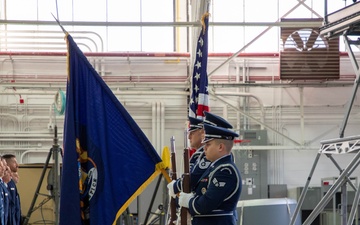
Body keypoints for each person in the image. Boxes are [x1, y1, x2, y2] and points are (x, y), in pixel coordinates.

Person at [177, 123, 242, 225]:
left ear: (220, 147)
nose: (204, 148)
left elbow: (206, 204)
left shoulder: (225, 171)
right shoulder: (215, 168)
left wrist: (189, 201)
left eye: (208, 144)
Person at [168, 111, 234, 195]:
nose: (202, 134)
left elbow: (193, 178)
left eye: (204, 131)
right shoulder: (202, 154)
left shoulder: (214, 155)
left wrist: (176, 186)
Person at [3, 154, 21, 225]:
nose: (17, 165)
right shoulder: (5, 184)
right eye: (14, 162)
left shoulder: (12, 183)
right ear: (7, 164)